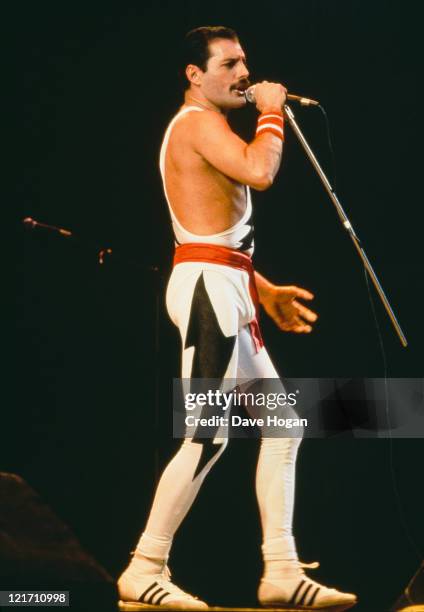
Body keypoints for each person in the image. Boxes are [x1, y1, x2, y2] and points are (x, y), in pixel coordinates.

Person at [118, 26, 357, 611]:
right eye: (228, 63)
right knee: (209, 433)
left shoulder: (209, 125)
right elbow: (260, 171)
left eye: (245, 61)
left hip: (225, 286)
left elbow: (217, 233)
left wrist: (266, 290)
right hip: (208, 293)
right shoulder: (197, 124)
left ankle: (280, 568)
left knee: (283, 426)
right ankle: (144, 566)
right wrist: (273, 114)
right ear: (195, 75)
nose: (243, 74)